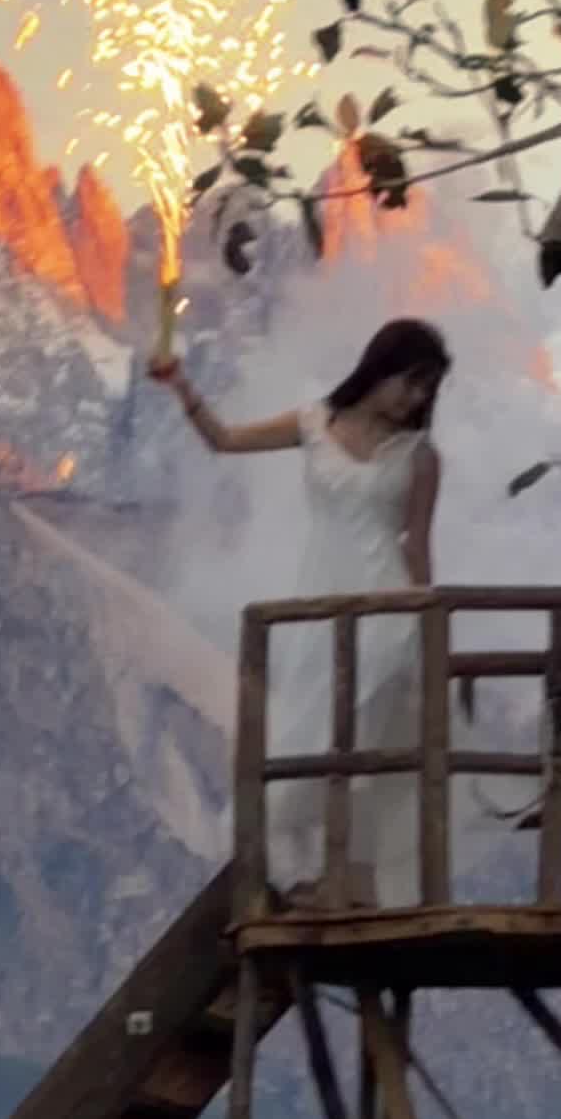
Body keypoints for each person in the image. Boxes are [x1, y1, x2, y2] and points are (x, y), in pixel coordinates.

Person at [151, 317, 450, 905]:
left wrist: (428, 626)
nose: (416, 398)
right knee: (309, 731)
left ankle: (350, 879)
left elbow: (416, 544)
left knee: (362, 737)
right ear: (380, 369)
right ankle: (315, 874)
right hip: (320, 604)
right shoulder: (315, 423)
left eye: (427, 389)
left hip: (388, 607)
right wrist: (181, 386)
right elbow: (225, 441)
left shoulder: (421, 456)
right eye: (411, 382)